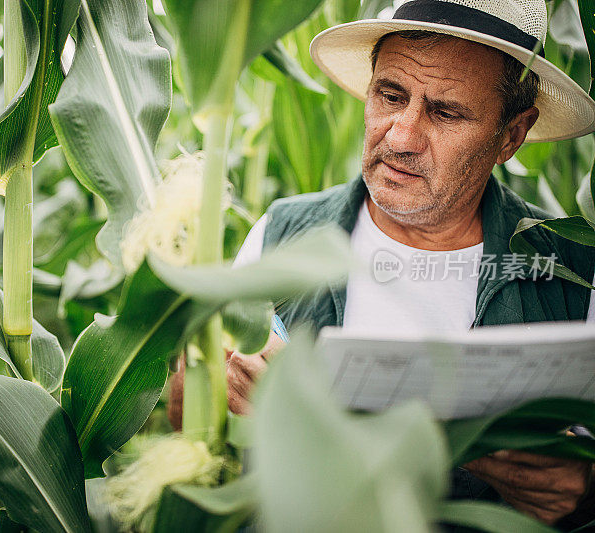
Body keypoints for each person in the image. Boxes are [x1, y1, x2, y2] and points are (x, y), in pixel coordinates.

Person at [168, 0, 595, 527]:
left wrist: (585, 488)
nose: (400, 136)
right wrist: (195, 396)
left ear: (512, 134)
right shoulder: (280, 239)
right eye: (391, 95)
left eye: (445, 111)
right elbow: (201, 447)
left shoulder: (576, 273)